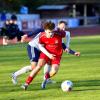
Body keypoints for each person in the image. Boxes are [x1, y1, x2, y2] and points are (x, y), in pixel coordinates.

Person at [12, 21, 80, 85]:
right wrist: (27, 35)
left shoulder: (56, 34)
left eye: (65, 27)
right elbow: (39, 30)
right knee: (34, 67)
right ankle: (15, 74)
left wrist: (72, 51)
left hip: (43, 49)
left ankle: (46, 79)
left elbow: (63, 44)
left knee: (49, 62)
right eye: (62, 27)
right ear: (58, 25)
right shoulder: (49, 29)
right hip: (34, 47)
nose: (63, 29)